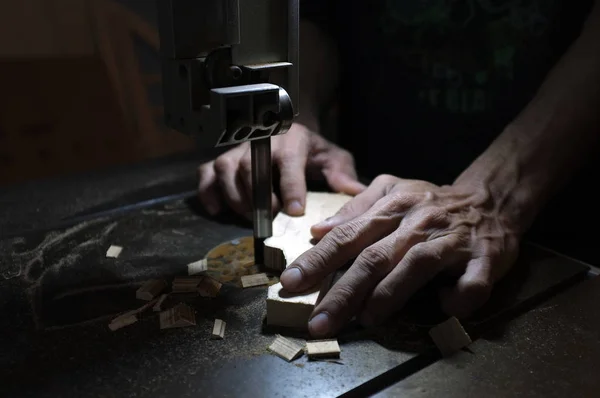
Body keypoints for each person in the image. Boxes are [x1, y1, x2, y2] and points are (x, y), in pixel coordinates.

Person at [197, 1, 600, 338]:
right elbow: (323, 15)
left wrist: (495, 194)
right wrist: (293, 113)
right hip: (372, 184)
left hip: (552, 221)